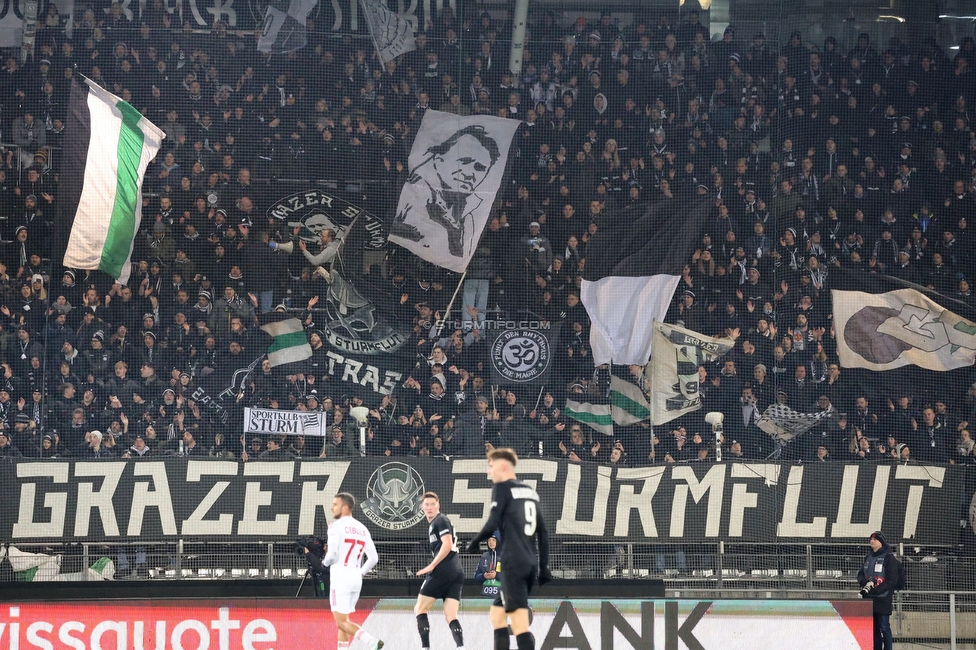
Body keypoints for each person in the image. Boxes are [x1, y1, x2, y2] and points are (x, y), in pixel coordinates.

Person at [465, 448, 551, 650]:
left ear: (503, 466)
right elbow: (543, 533)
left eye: (491, 466)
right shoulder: (531, 492)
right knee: (497, 616)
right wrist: (544, 567)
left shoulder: (503, 488)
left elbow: (492, 522)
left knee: (519, 624)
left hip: (513, 564)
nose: (489, 471)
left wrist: (475, 541)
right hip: (528, 564)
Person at [305, 493, 384, 650]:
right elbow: (374, 558)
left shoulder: (336, 526)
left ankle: (371, 641)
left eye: (335, 504)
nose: (331, 507)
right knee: (344, 620)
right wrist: (360, 573)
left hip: (341, 577)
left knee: (341, 621)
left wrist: (324, 563)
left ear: (345, 507)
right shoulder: (362, 528)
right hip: (356, 578)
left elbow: (332, 554)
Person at [414, 491, 466, 650]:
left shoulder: (440, 520)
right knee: (451, 615)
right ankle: (461, 646)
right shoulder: (435, 523)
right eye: (426, 505)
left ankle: (425, 647)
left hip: (444, 569)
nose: (429, 507)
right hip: (457, 571)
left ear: (438, 505)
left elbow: (447, 544)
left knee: (420, 609)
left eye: (432, 504)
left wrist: (432, 565)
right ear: (422, 507)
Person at [857, 531, 899, 650]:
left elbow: (892, 579)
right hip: (869, 599)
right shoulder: (868, 557)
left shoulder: (889, 558)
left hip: (883, 598)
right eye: (871, 539)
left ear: (881, 542)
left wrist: (877, 590)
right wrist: (864, 582)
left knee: (884, 626)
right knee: (873, 627)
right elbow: (860, 574)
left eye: (875, 540)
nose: (872, 541)